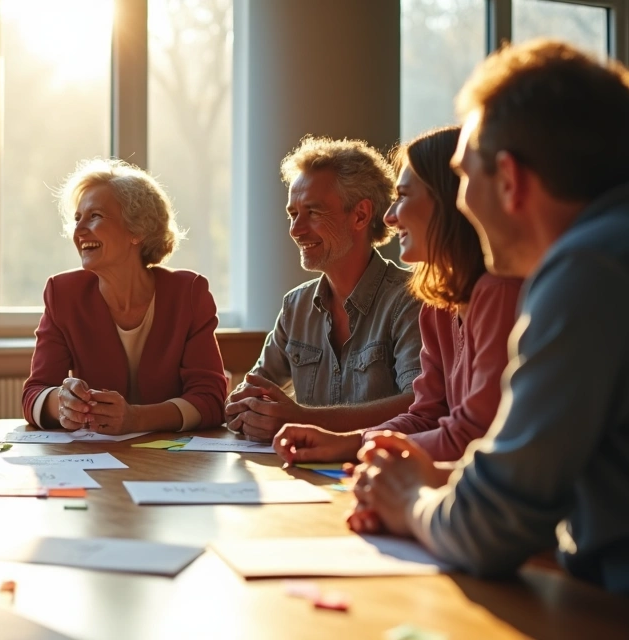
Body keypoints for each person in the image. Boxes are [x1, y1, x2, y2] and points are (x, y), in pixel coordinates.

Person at [351, 40, 629, 593]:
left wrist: (408, 499)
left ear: (510, 179)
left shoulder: (587, 270)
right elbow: (560, 478)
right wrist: (436, 479)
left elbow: (491, 527)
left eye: (464, 174)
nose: (460, 200)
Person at [273, 127, 522, 465]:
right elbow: (425, 415)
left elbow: (469, 435)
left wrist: (352, 444)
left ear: (449, 201)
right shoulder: (437, 304)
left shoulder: (500, 294)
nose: (389, 216)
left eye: (403, 196)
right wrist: (349, 442)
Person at [226, 137, 423, 441]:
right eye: (293, 214)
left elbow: (418, 403)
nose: (296, 229)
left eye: (313, 213)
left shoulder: (410, 300)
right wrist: (247, 409)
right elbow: (253, 389)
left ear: (360, 215)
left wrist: (305, 419)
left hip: (378, 475)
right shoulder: (296, 306)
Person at [22, 158, 229, 434]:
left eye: (94, 216)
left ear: (138, 230)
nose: (79, 231)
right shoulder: (63, 294)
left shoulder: (188, 294)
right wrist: (60, 402)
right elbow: (34, 393)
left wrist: (138, 419)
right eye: (77, 218)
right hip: (97, 461)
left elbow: (211, 401)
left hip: (172, 462)